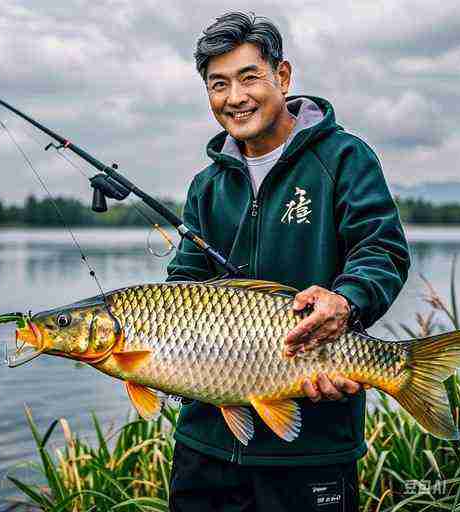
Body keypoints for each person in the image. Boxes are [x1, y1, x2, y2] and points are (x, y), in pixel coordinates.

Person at [166, 11, 410, 511]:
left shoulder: (343, 158)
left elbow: (381, 249)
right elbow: (184, 282)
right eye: (218, 84)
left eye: (248, 77)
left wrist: (347, 301)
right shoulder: (206, 186)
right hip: (205, 447)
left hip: (312, 448)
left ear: (282, 75)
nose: (235, 97)